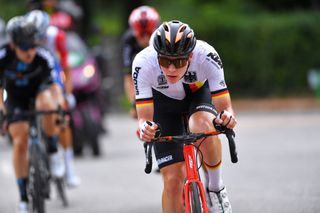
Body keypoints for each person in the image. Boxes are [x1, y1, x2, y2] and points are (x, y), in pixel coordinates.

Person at [133, 20, 237, 213]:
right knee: (172, 181)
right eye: (165, 61)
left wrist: (227, 118)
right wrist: (145, 128)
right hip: (163, 104)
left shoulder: (206, 55)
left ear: (190, 56)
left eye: (179, 62)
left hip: (196, 95)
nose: (171, 69)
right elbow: (144, 117)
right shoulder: (143, 62)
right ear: (156, 56)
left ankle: (215, 187)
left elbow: (225, 108)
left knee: (202, 125)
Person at [0, 16, 64, 213]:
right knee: (20, 141)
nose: (30, 52)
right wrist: (2, 113)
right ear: (13, 45)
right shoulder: (3, 58)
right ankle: (23, 198)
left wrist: (60, 106)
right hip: (16, 98)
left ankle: (53, 152)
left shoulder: (43, 56)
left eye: (33, 46)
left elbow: (55, 87)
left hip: (39, 92)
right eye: (24, 48)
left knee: (46, 104)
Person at [25, 9, 81, 187]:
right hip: (31, 74)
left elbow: (65, 67)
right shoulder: (22, 35)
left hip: (52, 73)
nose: (38, 41)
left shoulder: (56, 36)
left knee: (61, 118)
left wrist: (68, 93)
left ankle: (69, 168)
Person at [121, 5, 160, 118]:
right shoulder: (128, 40)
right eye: (141, 35)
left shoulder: (163, 36)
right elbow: (128, 76)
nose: (145, 39)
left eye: (148, 34)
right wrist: (134, 103)